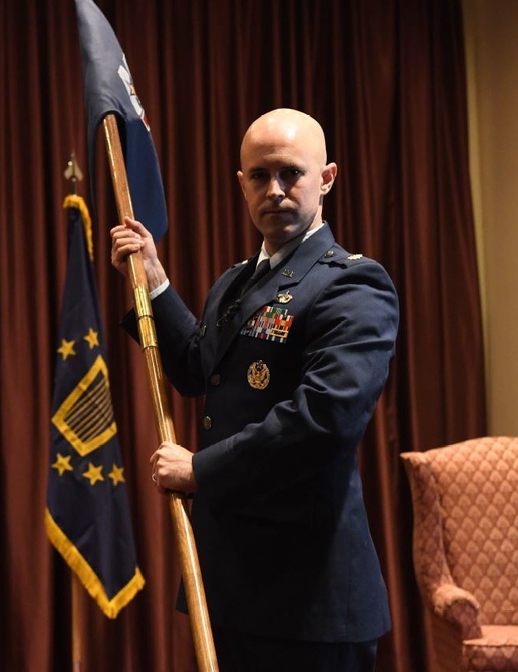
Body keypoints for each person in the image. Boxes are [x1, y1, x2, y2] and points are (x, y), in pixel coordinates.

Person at [111, 109, 398, 671]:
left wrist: (201, 469)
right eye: (259, 176)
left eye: (290, 173)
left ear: (328, 177)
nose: (275, 190)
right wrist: (156, 279)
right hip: (232, 584)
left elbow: (325, 419)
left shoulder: (354, 283)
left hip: (308, 598)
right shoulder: (237, 281)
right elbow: (198, 370)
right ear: (240, 183)